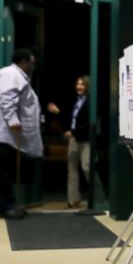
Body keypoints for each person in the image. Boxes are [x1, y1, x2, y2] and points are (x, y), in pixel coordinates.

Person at [0, 48, 43, 219]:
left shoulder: (15, 76)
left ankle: (8, 205)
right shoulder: (10, 74)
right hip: (1, 133)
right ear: (25, 62)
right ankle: (5, 207)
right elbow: (7, 98)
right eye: (32, 63)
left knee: (5, 171)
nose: (33, 67)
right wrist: (13, 121)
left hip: (5, 134)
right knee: (1, 172)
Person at [48, 76, 92, 208]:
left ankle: (98, 199)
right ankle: (74, 200)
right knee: (72, 170)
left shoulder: (90, 102)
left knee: (87, 167)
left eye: (82, 85)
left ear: (87, 87)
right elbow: (70, 119)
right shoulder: (76, 101)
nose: (79, 87)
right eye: (78, 84)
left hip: (86, 139)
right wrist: (58, 112)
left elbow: (89, 123)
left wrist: (74, 132)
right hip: (74, 139)